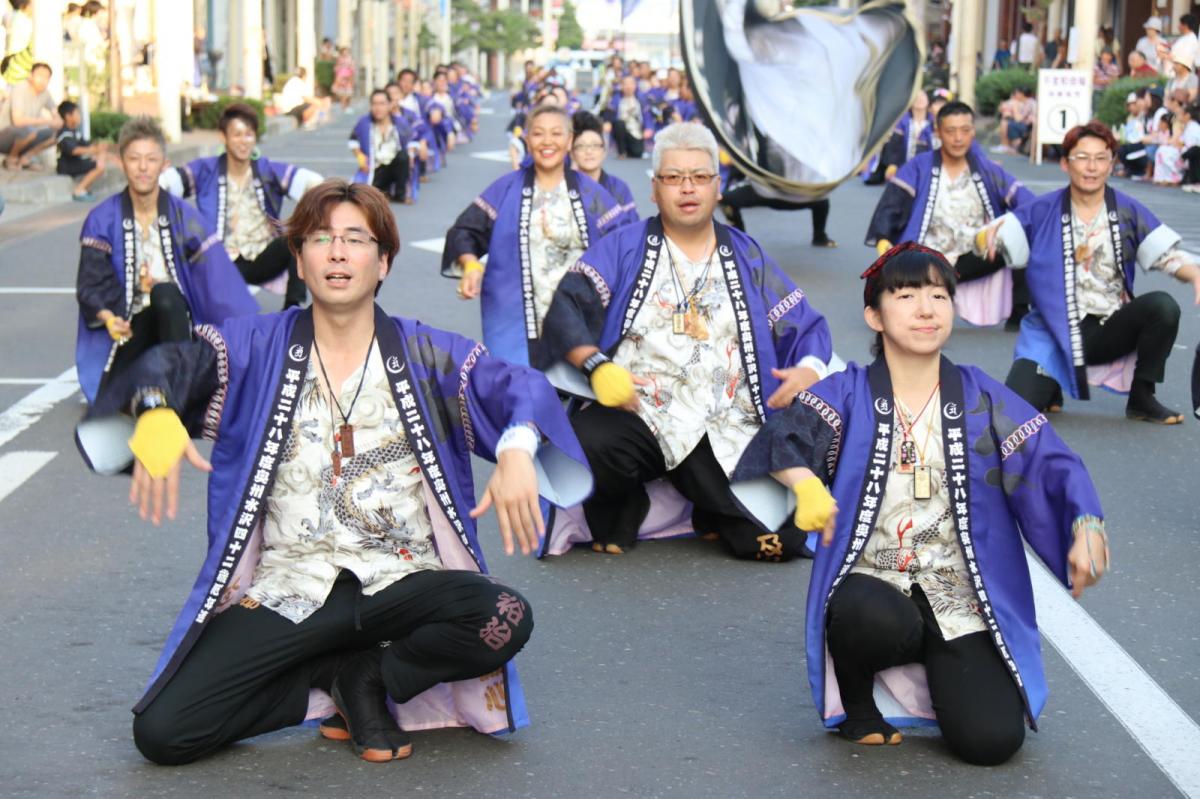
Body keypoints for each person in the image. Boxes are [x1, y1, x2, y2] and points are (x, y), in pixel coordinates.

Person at [74, 178, 593, 766]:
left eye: (356, 239)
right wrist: (155, 407)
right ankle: (328, 677)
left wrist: (518, 447)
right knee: (166, 732)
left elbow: (519, 385)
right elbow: (172, 360)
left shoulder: (426, 353)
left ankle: (372, 673)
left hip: (400, 579)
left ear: (384, 261)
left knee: (504, 616)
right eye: (321, 239)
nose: (338, 253)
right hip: (292, 586)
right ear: (299, 260)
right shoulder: (255, 347)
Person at [729, 242, 1110, 764]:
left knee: (992, 742)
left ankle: (941, 667)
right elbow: (782, 440)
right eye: (906, 296)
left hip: (958, 594)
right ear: (875, 315)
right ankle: (858, 702)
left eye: (938, 295)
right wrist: (806, 485)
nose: (926, 309)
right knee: (865, 614)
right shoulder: (848, 391)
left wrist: (1086, 523)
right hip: (875, 583)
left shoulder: (980, 395)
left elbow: (1050, 460)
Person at [534, 122, 833, 560]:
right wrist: (598, 368)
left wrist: (807, 369)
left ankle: (706, 509)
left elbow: (803, 324)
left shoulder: (748, 255)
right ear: (655, 189)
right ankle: (624, 503)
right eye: (674, 177)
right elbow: (566, 308)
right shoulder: (623, 247)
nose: (687, 188)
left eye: (699, 177)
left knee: (773, 546)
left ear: (718, 187)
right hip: (641, 410)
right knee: (586, 442)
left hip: (726, 419)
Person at [988, 122, 1200, 424]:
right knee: (1013, 414)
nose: (1092, 167)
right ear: (1065, 163)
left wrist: (1194, 275)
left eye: (1101, 158)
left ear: (1111, 164)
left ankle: (1142, 396)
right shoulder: (1042, 209)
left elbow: (1167, 256)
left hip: (1108, 327)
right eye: (1082, 158)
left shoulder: (1127, 210)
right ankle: (1050, 381)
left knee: (1162, 306)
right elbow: (994, 237)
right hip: (1054, 333)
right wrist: (986, 240)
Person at [74, 116, 258, 406]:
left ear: (164, 164)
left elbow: (220, 283)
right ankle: (154, 388)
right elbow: (90, 285)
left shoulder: (185, 217)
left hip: (177, 329)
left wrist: (252, 342)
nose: (143, 167)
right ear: (121, 162)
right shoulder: (102, 219)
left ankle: (178, 388)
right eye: (134, 159)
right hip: (128, 336)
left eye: (151, 159)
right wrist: (110, 319)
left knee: (166, 294)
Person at [441, 104, 623, 366]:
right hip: (514, 324)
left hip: (582, 323)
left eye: (556, 133)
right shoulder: (505, 189)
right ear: (527, 139)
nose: (547, 141)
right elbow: (465, 231)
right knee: (521, 388)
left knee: (578, 390)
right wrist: (470, 265)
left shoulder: (592, 195)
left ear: (569, 140)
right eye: (538, 133)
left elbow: (623, 248)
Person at [866, 101, 1033, 329]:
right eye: (951, 131)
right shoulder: (919, 167)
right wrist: (883, 238)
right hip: (927, 257)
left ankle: (1020, 312)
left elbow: (1029, 205)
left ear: (973, 132)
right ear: (938, 132)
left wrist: (1004, 225)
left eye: (965, 130)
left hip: (975, 256)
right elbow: (892, 204)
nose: (958, 138)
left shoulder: (987, 169)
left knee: (1023, 234)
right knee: (896, 295)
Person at [160, 103, 322, 310]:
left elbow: (312, 183)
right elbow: (166, 184)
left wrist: (308, 217)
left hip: (260, 258)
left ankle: (292, 308)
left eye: (249, 134)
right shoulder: (206, 169)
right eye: (237, 134)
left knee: (296, 237)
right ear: (223, 137)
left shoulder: (266, 169)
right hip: (219, 261)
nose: (244, 141)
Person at [349, 89, 416, 206]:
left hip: (394, 166)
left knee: (403, 156)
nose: (378, 108)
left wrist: (411, 154)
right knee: (360, 195)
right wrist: (359, 156)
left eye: (382, 103)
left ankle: (400, 195)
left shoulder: (399, 123)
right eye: (374, 104)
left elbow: (411, 140)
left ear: (389, 105)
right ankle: (383, 192)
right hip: (374, 168)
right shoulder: (364, 122)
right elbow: (353, 140)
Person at [570, 110, 638, 225]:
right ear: (572, 152)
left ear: (604, 150)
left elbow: (632, 228)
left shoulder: (619, 187)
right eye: (581, 146)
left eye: (595, 145)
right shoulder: (565, 188)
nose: (589, 151)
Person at [0, 61, 61, 170]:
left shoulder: (45, 93)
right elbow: (18, 121)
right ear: (30, 76)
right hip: (4, 136)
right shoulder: (20, 89)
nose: (43, 80)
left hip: (26, 135)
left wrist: (58, 122)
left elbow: (57, 116)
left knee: (59, 134)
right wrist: (48, 121)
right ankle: (11, 159)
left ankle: (25, 159)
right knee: (29, 130)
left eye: (46, 77)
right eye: (40, 75)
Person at [56, 99, 117, 201]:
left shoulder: (75, 132)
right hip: (66, 166)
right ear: (68, 116)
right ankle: (79, 190)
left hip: (74, 163)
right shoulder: (64, 134)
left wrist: (99, 147)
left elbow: (86, 144)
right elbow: (73, 150)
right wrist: (93, 151)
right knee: (99, 165)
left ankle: (84, 188)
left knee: (102, 158)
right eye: (77, 113)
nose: (79, 116)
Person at [611, 75, 652, 159]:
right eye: (625, 84)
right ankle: (621, 152)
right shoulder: (616, 99)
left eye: (631, 83)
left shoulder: (641, 99)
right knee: (619, 123)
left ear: (635, 85)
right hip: (621, 130)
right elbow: (610, 115)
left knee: (637, 153)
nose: (628, 86)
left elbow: (647, 116)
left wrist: (649, 128)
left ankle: (631, 150)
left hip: (636, 131)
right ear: (622, 86)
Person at [332, 46, 355, 114]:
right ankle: (343, 107)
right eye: (344, 52)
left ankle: (347, 106)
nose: (345, 54)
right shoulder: (339, 59)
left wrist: (352, 78)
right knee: (342, 93)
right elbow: (336, 69)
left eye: (347, 52)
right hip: (341, 76)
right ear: (341, 53)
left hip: (349, 77)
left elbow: (352, 69)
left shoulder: (351, 59)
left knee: (349, 93)